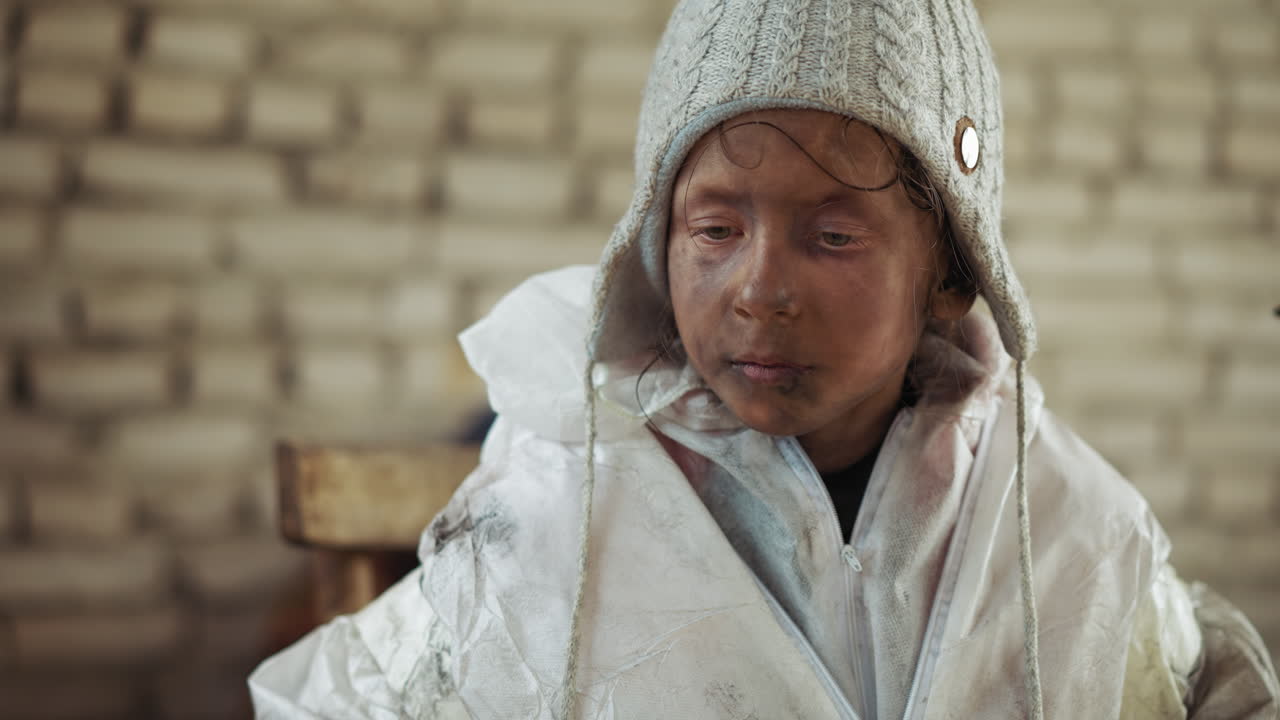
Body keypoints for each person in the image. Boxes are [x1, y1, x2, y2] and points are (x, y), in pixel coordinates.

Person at [248, 0, 1280, 717]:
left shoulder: (1049, 518)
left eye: (831, 237)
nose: (755, 288)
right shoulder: (564, 503)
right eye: (713, 230)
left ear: (950, 276)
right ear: (657, 244)